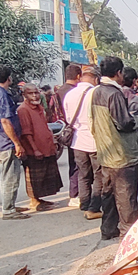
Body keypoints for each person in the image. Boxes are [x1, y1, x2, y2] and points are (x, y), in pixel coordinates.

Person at [91, 57, 138, 240]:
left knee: (109, 195)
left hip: (106, 153)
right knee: (126, 197)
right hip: (122, 155)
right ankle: (130, 236)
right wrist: (137, 119)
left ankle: (108, 229)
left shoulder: (97, 92)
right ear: (119, 73)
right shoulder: (114, 94)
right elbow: (124, 123)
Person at [0, 64, 30, 221]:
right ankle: (8, 209)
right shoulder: (2, 95)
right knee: (10, 176)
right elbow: (5, 121)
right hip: (5, 142)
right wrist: (16, 143)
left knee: (6, 175)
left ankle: (10, 204)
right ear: (9, 78)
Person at [64, 67, 103, 220]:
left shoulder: (69, 94)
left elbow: (68, 118)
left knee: (83, 174)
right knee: (98, 174)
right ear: (95, 79)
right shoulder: (96, 93)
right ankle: (94, 207)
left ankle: (84, 203)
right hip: (94, 140)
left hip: (77, 140)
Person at [17, 83, 63, 211]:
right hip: (34, 149)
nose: (34, 95)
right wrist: (35, 149)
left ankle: (39, 199)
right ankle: (34, 201)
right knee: (34, 176)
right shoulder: (23, 110)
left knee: (45, 175)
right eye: (31, 93)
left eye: (36, 92)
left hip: (45, 146)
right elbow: (26, 133)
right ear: (24, 95)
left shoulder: (39, 107)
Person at [57, 65, 82, 207]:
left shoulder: (59, 91)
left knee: (73, 163)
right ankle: (75, 193)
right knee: (79, 165)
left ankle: (74, 193)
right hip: (77, 132)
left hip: (64, 131)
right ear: (78, 76)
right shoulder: (76, 92)